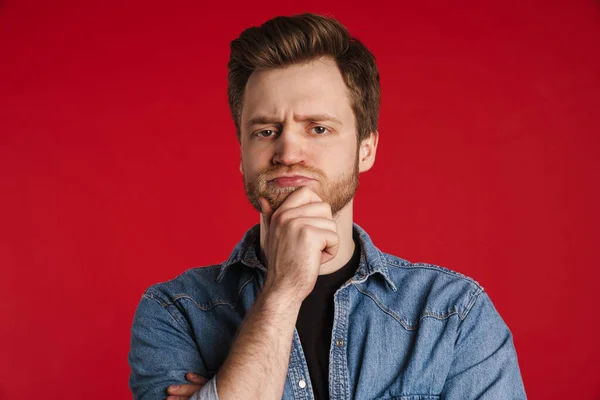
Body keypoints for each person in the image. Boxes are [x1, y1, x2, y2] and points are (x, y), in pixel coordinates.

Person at [128, 13, 527, 400]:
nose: (288, 151)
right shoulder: (176, 313)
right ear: (241, 154)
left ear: (365, 149)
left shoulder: (452, 315)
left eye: (318, 128)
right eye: (266, 131)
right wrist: (282, 291)